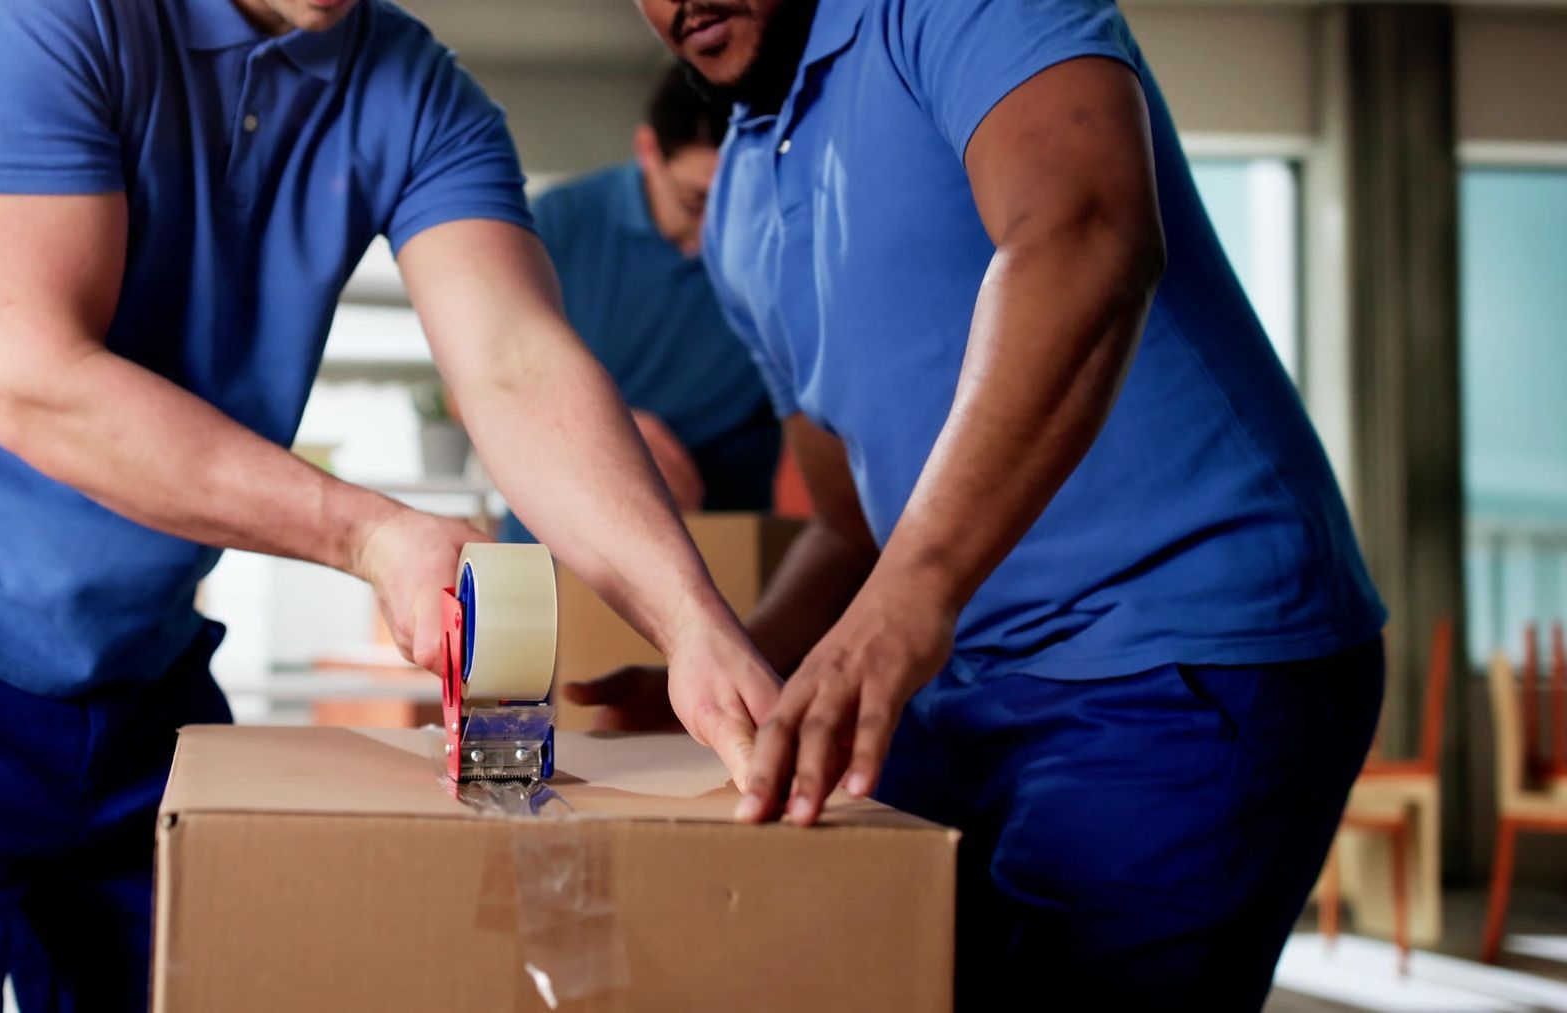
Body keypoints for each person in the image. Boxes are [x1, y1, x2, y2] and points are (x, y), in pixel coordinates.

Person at [0, 0, 781, 1008]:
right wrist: (373, 537)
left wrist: (688, 621)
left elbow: (516, 364)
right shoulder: (39, 12)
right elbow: (38, 383)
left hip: (135, 661)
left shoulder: (419, 93)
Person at [588, 0, 1389, 1007]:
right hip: (960, 677)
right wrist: (724, 670)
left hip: (1178, 649)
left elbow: (1086, 229)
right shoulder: (741, 201)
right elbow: (848, 525)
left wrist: (912, 593)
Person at [496, 65, 781, 543]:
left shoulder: (783, 244)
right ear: (647, 150)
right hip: (556, 549)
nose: (720, 224)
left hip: (726, 550)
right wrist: (607, 432)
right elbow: (469, 390)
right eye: (697, 200)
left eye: (740, 198)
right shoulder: (559, 224)